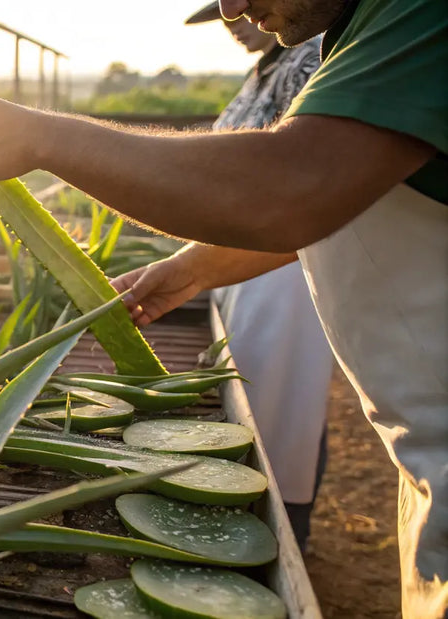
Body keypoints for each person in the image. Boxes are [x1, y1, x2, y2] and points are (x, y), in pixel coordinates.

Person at [0, 0, 447, 615]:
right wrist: (190, 268)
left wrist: (46, 137)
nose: (233, 8)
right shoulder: (365, 27)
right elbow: (353, 197)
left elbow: (295, 185)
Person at [187, 1, 333, 551]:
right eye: (224, 18)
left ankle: (282, 530)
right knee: (259, 393)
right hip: (241, 254)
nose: (235, 22)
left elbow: (287, 171)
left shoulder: (308, 57)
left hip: (284, 266)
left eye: (241, 14)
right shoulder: (262, 72)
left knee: (280, 401)